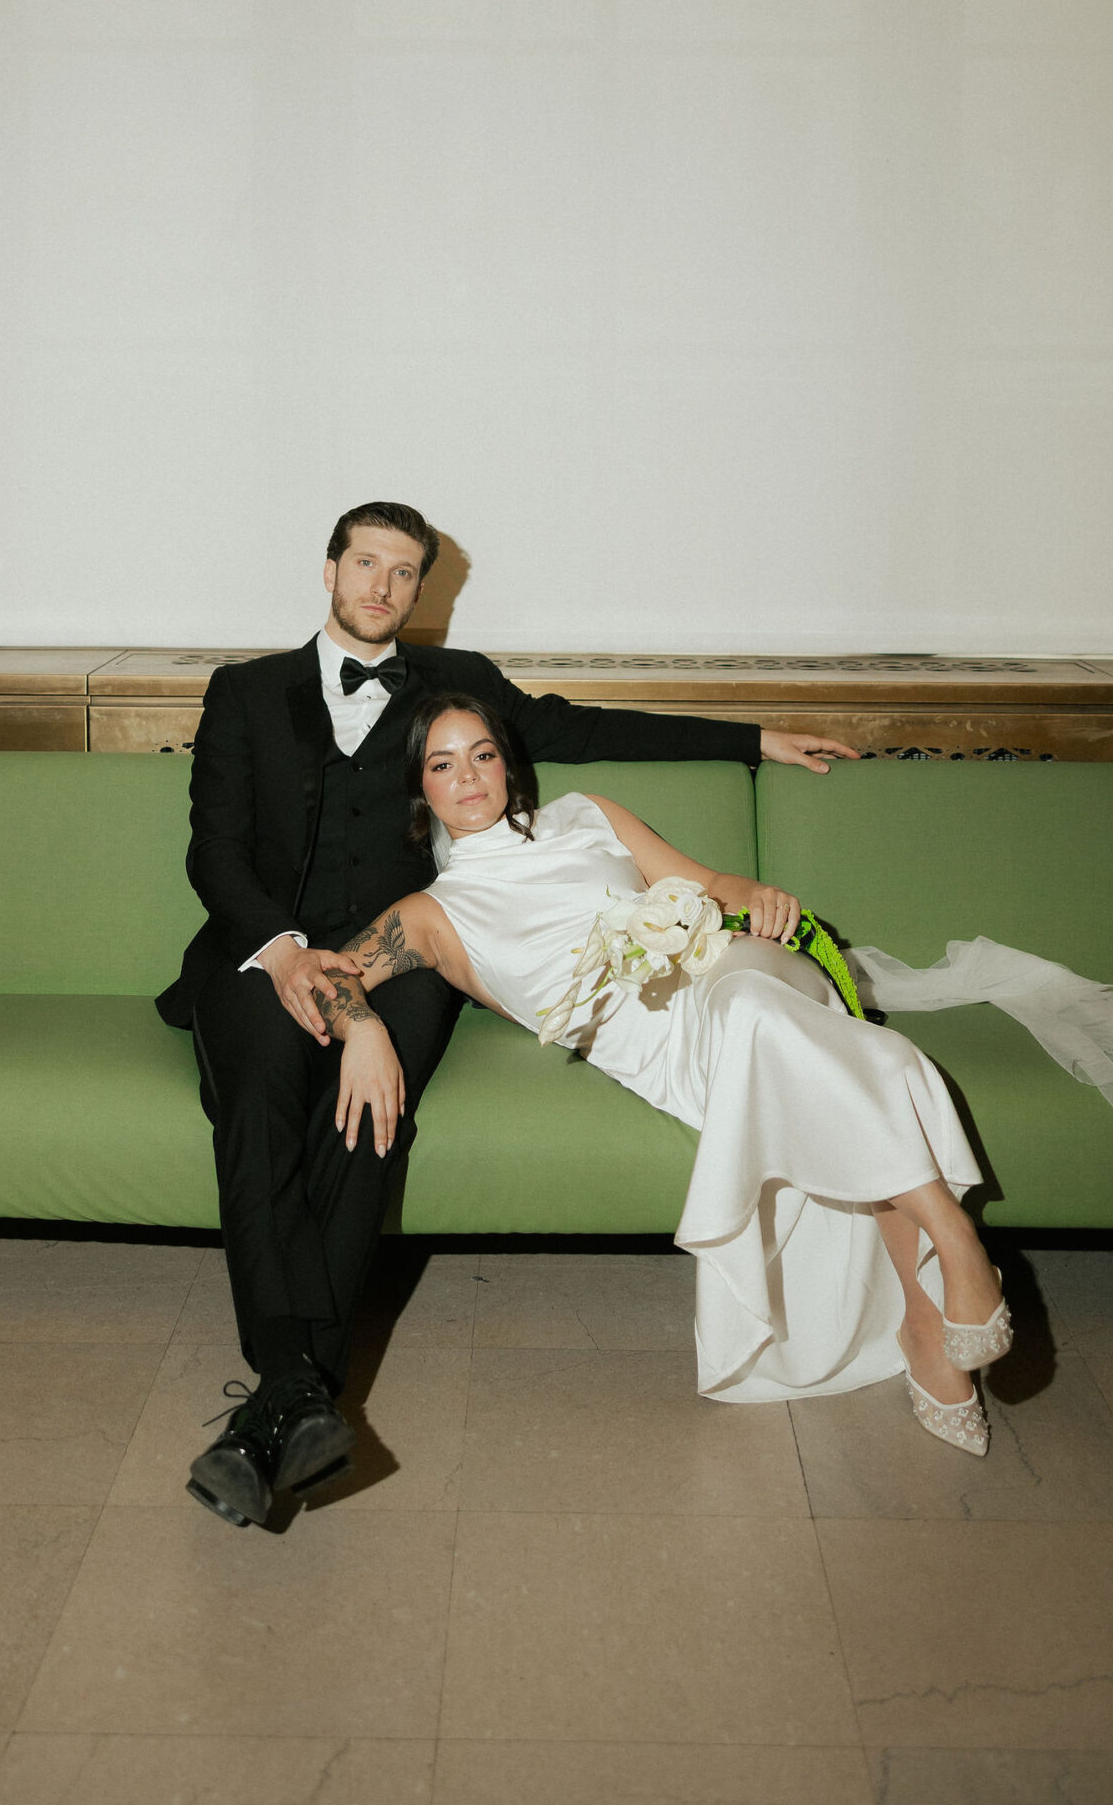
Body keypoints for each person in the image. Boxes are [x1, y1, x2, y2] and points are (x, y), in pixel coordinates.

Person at [159, 501, 858, 1528]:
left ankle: (281, 1400)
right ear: (330, 570)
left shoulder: (459, 684)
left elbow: (584, 728)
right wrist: (286, 951)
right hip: (261, 950)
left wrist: (754, 738)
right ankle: (294, 1389)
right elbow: (213, 850)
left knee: (366, 1117)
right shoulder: (245, 689)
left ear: (420, 588)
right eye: (366, 563)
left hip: (406, 955)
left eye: (404, 571)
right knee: (262, 1090)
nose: (382, 585)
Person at [305, 693, 1012, 1456]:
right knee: (847, 1058)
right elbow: (328, 977)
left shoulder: (586, 814)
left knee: (754, 1006)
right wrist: (364, 1027)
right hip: (667, 1050)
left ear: (507, 762)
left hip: (738, 968)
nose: (469, 777)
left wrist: (759, 896)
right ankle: (934, 1289)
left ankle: (952, 1253)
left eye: (482, 754)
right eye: (443, 764)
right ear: (420, 787)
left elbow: (710, 886)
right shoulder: (430, 914)